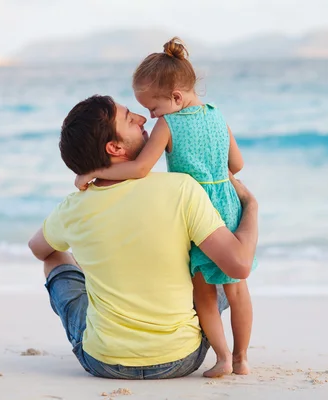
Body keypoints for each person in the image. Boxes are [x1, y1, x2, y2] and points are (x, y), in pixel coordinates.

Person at [27, 95, 259, 379]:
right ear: (115, 147)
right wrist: (251, 206)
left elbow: (39, 249)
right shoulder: (181, 189)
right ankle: (234, 356)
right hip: (183, 357)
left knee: (56, 258)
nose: (143, 118)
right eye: (129, 119)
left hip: (104, 362)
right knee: (215, 267)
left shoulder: (74, 207)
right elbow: (240, 265)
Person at [74, 37, 257, 377]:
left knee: (204, 292)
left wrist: (97, 170)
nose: (149, 116)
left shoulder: (169, 124)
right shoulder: (218, 115)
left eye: (152, 108)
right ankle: (244, 358)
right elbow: (238, 163)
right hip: (227, 203)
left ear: (175, 97)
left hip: (197, 208)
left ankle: (224, 358)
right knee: (236, 290)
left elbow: (141, 168)